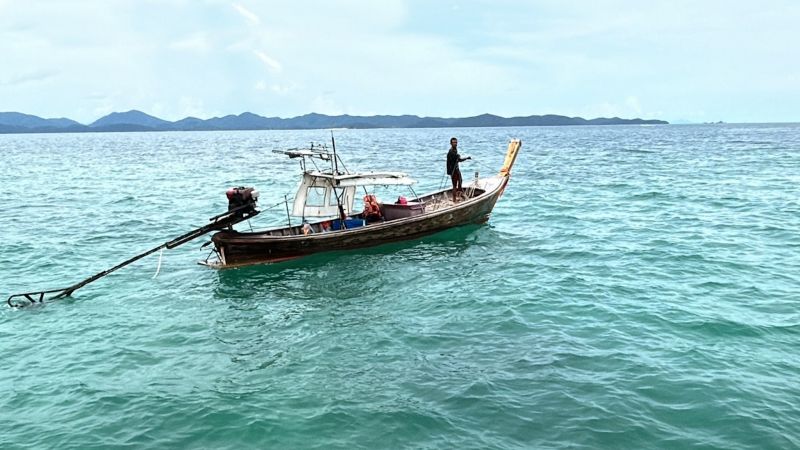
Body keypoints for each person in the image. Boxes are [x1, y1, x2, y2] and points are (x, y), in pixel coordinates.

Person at [446, 137, 470, 201]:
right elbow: (459, 160)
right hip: (454, 171)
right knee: (455, 185)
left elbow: (456, 159)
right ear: (451, 143)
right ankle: (455, 198)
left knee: (460, 181)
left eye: (456, 142)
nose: (455, 144)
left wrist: (458, 156)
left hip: (456, 170)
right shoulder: (451, 151)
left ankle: (459, 194)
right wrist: (466, 158)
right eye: (454, 142)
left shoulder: (454, 150)